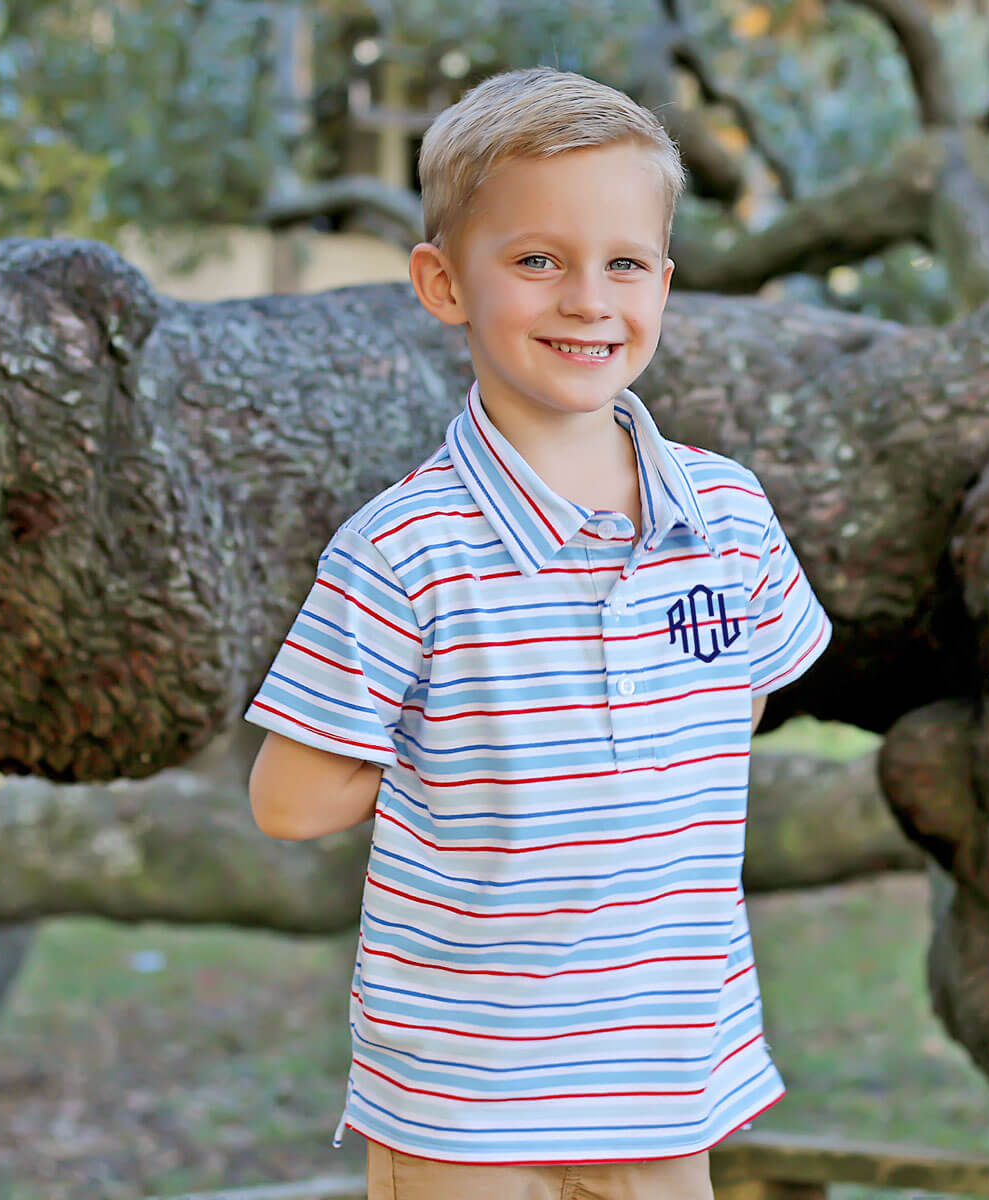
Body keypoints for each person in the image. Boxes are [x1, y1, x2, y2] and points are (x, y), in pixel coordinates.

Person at [246, 66, 832, 1200]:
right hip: (464, 1098)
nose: (586, 299)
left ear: (664, 282)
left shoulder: (731, 516)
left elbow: (745, 698)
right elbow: (289, 802)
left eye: (622, 263)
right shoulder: (401, 552)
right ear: (441, 281)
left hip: (664, 1080)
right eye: (536, 260)